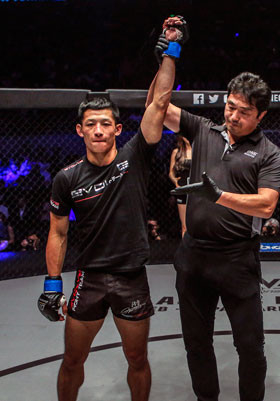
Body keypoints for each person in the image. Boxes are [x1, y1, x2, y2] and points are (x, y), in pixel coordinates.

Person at [37, 16, 183, 401]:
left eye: (105, 123)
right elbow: (58, 232)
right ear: (80, 130)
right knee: (72, 360)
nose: (98, 130)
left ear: (118, 129)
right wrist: (53, 284)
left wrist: (170, 50)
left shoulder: (135, 156)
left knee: (137, 359)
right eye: (91, 124)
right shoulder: (66, 178)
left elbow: (159, 103)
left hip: (131, 276)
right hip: (90, 278)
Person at [162, 71, 280, 401]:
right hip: (194, 256)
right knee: (196, 342)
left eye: (244, 112)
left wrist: (218, 196)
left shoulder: (269, 153)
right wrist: (167, 60)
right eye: (231, 107)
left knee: (250, 346)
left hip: (237, 258)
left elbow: (266, 204)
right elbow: (157, 107)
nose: (234, 116)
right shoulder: (203, 130)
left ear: (261, 115)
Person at [168, 134, 192, 236]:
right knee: (184, 226)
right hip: (182, 188)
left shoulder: (200, 151)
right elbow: (171, 173)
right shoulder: (177, 152)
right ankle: (185, 246)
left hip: (197, 189)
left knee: (198, 224)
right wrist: (175, 182)